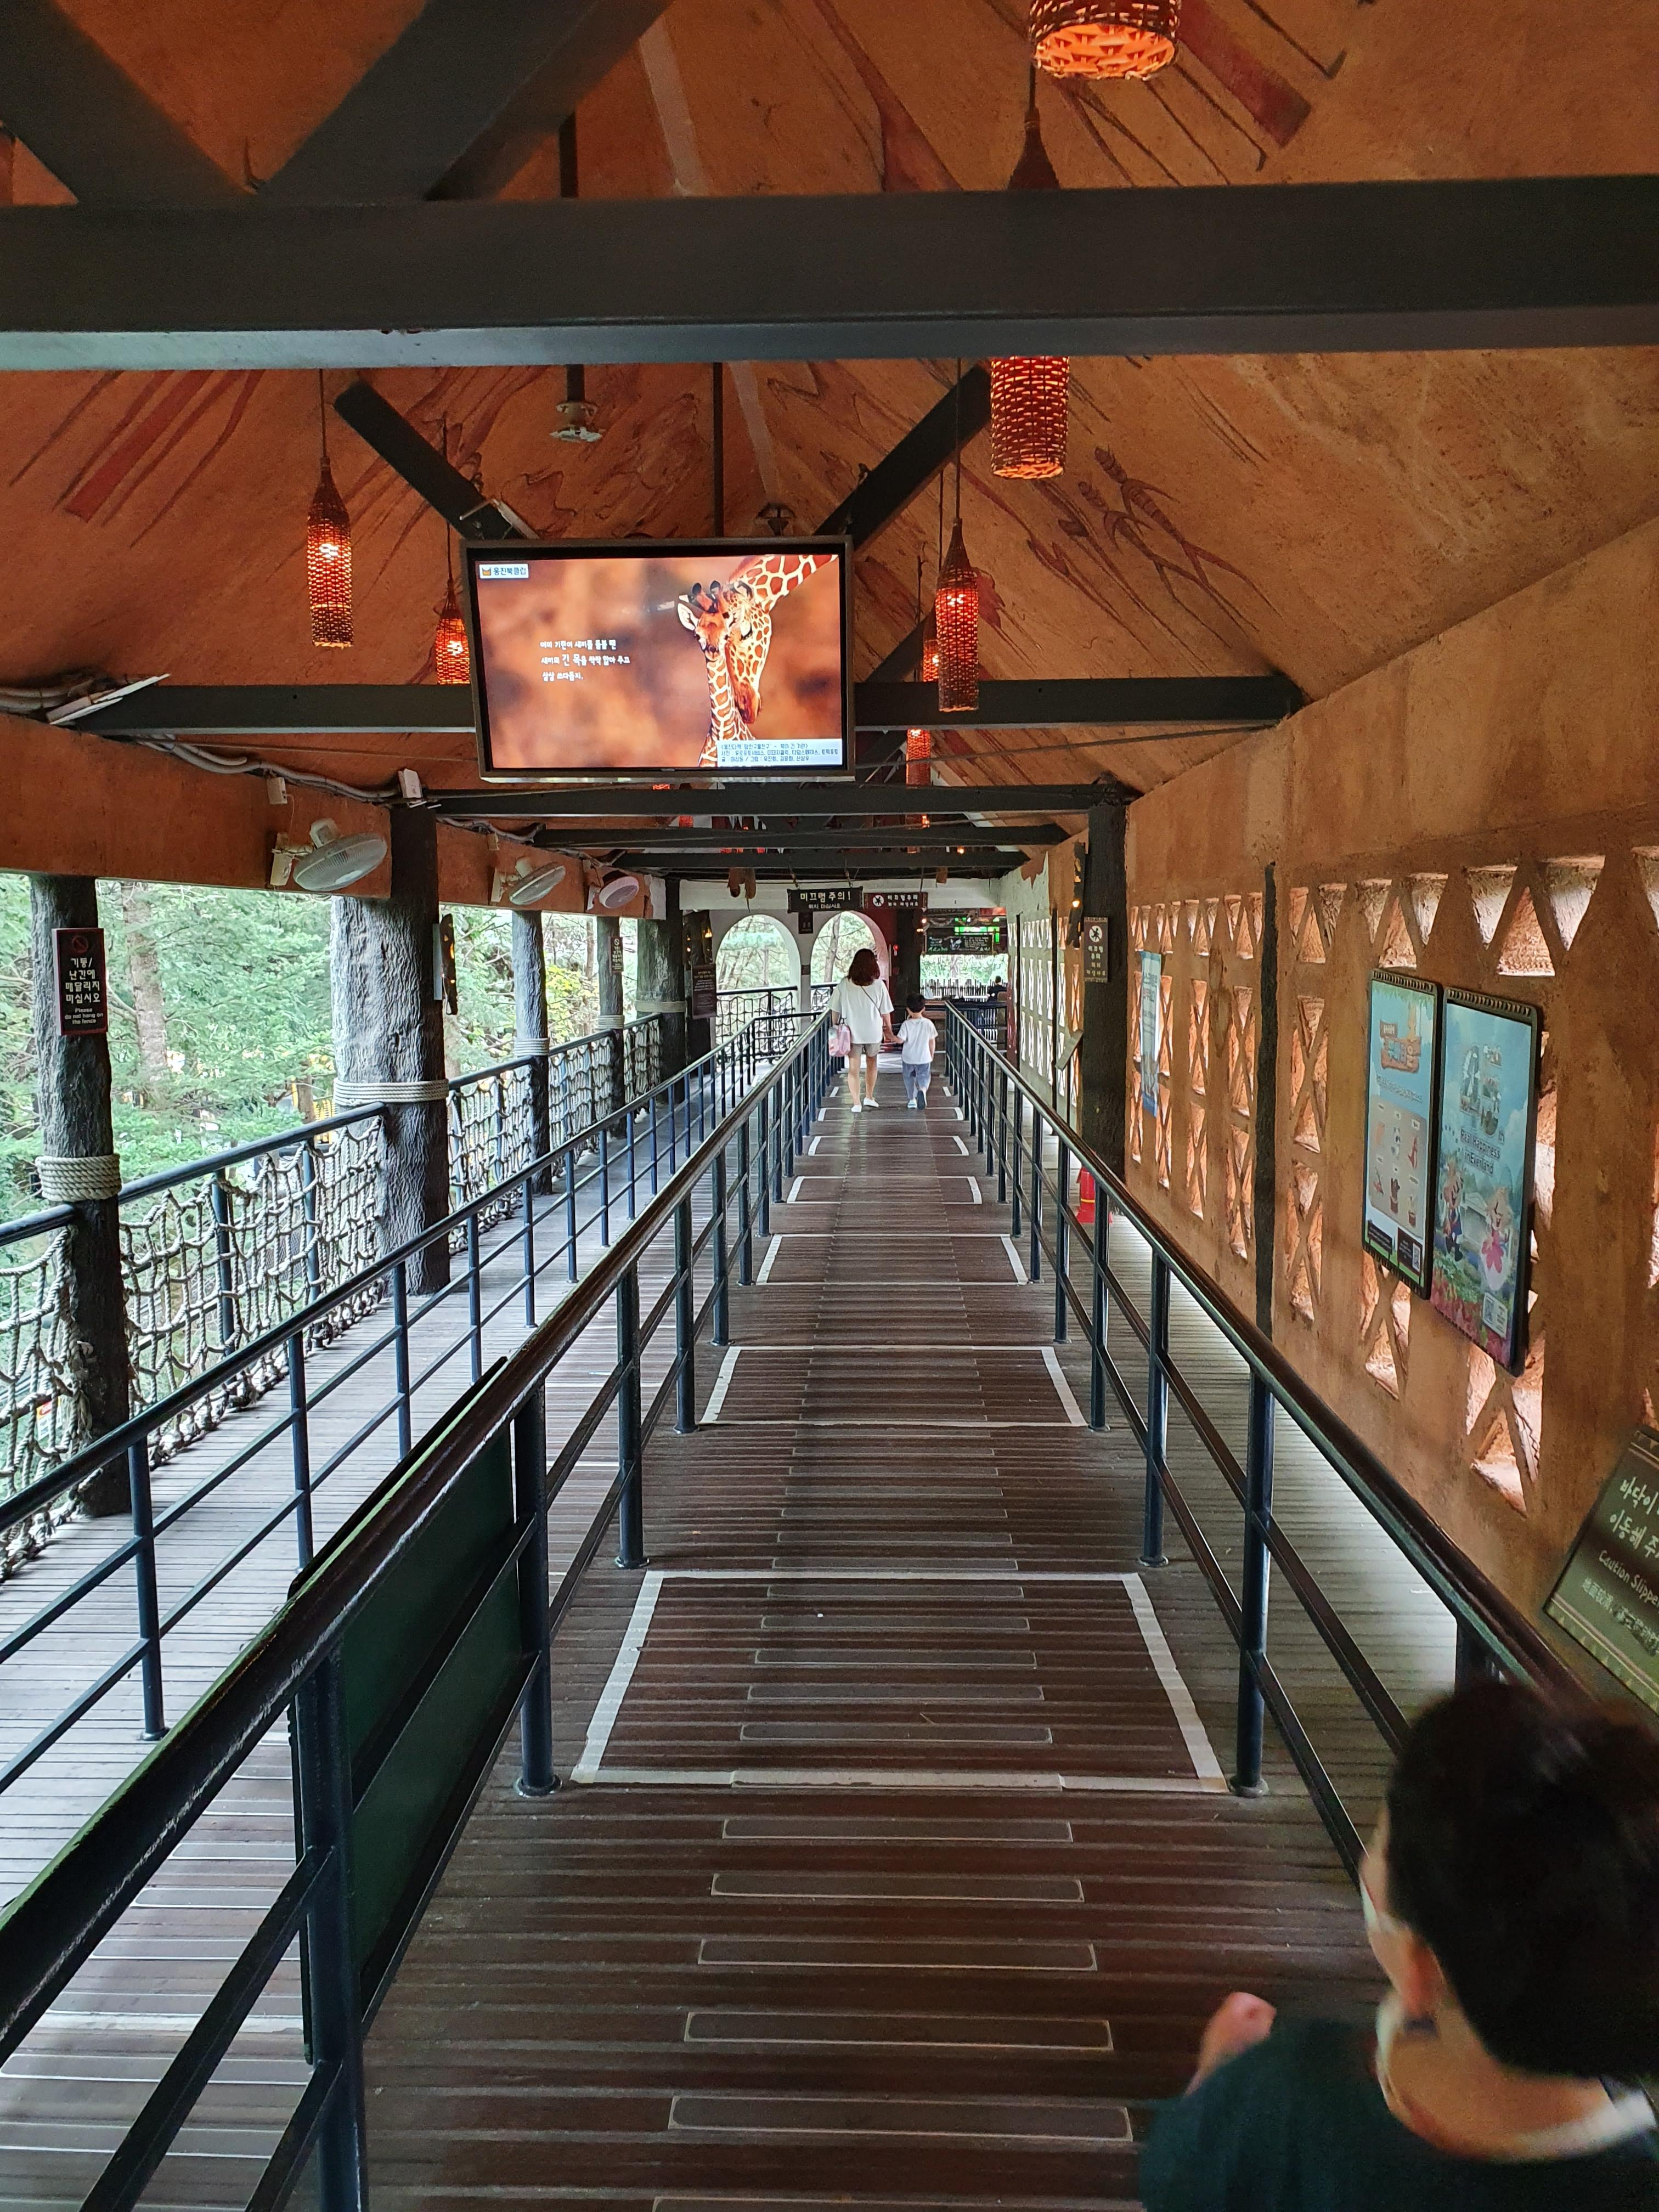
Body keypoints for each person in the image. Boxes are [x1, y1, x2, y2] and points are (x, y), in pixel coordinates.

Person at [1140, 1681, 1659, 2209]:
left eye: (1379, 1844)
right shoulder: (1639, 2181)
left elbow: (1177, 2179)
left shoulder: (1290, 2090)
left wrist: (1218, 2073)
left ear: (1419, 1968)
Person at [833, 946, 894, 1115]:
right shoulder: (879, 985)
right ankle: (869, 1096)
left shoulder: (844, 984)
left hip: (851, 1032)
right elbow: (885, 1012)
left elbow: (835, 1009)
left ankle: (856, 1103)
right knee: (872, 1062)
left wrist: (835, 1026)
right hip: (873, 1032)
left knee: (853, 1068)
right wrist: (889, 1030)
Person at [898, 992, 938, 1110]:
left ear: (908, 1010)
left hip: (908, 1058)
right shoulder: (928, 1024)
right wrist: (931, 1054)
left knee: (909, 1078)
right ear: (923, 1009)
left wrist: (890, 1035)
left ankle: (912, 1100)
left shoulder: (906, 1025)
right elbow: (932, 1041)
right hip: (924, 1057)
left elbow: (900, 1040)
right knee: (924, 1077)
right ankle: (923, 1090)